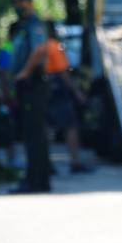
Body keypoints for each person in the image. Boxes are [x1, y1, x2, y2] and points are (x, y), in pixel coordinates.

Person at [9, 0, 51, 194]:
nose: (17, 8)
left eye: (18, 3)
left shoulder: (35, 24)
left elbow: (40, 49)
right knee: (31, 133)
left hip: (33, 84)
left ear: (27, 2)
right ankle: (36, 178)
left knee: (34, 134)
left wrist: (23, 73)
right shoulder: (26, 25)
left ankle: (36, 180)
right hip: (29, 84)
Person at [45, 21, 90, 174]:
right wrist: (77, 92)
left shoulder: (37, 45)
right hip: (58, 91)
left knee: (47, 128)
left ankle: (46, 162)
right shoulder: (54, 46)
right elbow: (63, 72)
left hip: (43, 91)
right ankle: (75, 162)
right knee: (71, 126)